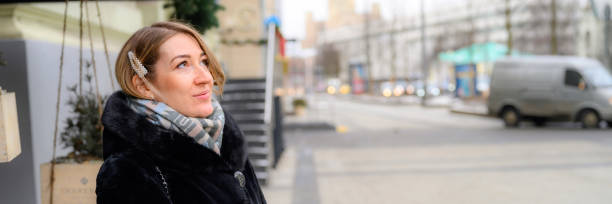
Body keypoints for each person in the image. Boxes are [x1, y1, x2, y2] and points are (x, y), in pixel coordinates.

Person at [95, 21, 266, 204]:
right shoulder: (129, 172)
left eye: (203, 62)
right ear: (143, 86)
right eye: (182, 64)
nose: (206, 78)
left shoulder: (227, 142)